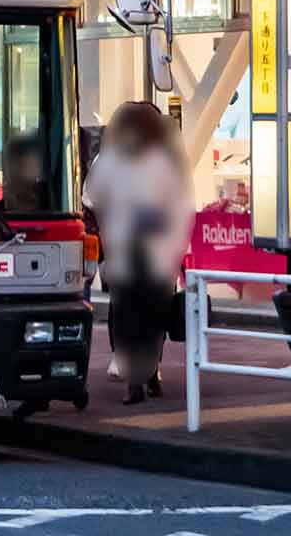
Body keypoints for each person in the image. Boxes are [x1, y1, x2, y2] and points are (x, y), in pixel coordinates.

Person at [83, 101, 194, 404]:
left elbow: (90, 200)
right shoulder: (165, 161)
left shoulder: (108, 160)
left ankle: (139, 378)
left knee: (129, 313)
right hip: (154, 249)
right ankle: (148, 373)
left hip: (127, 249)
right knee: (152, 313)